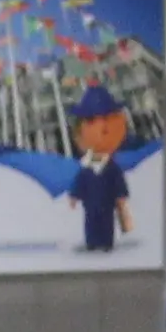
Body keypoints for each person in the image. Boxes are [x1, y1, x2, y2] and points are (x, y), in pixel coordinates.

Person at [61, 88, 138, 253]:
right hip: (90, 206)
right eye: (91, 121)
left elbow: (118, 186)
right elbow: (80, 181)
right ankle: (92, 243)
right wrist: (74, 195)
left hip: (107, 206)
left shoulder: (112, 167)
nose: (102, 128)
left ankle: (106, 244)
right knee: (91, 223)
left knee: (106, 223)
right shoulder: (86, 167)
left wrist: (121, 201)